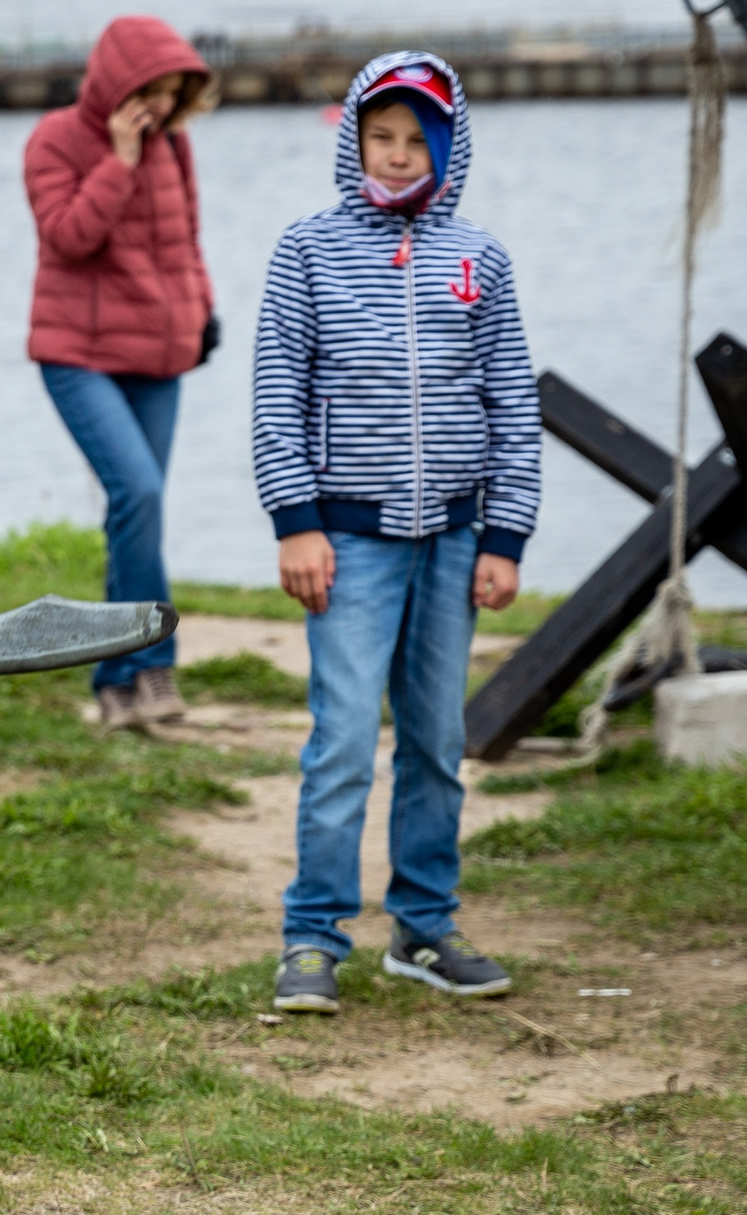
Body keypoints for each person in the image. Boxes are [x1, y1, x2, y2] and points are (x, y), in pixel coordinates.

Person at [252, 53, 538, 1015]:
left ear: (449, 144)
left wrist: (506, 535)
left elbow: (510, 405)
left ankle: (424, 925)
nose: (400, 154)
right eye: (383, 136)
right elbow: (275, 400)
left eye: (420, 139)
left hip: (457, 543)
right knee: (341, 741)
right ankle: (311, 936)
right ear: (354, 138)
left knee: (437, 740)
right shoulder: (306, 251)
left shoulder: (481, 259)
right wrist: (297, 523)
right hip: (348, 542)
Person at [22, 15, 218, 731]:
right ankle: (153, 665)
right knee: (137, 490)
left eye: (172, 94)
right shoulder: (56, 139)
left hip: (159, 356)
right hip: (77, 355)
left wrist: (205, 313)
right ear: (116, 83)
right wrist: (121, 158)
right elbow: (68, 235)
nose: (161, 107)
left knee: (135, 511)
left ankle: (114, 679)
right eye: (150, 90)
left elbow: (186, 242)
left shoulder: (177, 145)